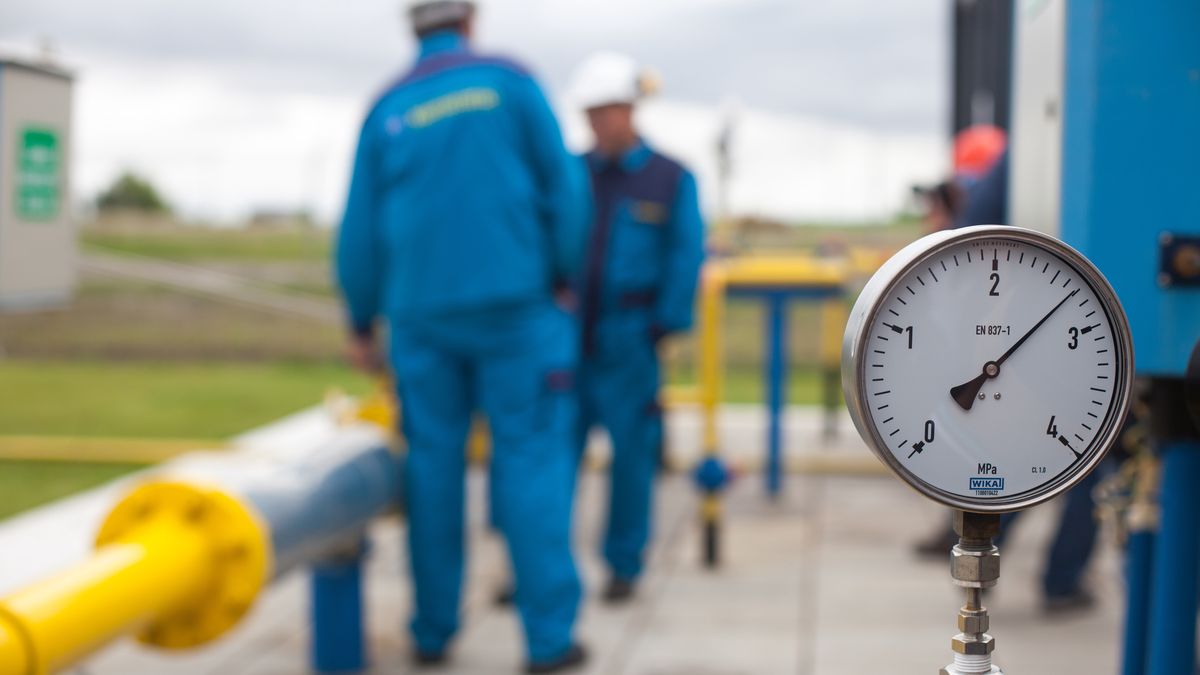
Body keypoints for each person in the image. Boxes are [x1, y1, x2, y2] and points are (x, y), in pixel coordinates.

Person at [335, 2, 589, 671]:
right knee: (530, 460)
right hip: (517, 311)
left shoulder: (387, 104)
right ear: (469, 18)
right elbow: (565, 192)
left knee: (433, 469)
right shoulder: (510, 82)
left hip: (421, 319)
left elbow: (359, 230)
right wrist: (561, 277)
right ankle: (547, 639)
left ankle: (432, 629)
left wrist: (363, 320)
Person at [911, 140, 1099, 614]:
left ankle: (986, 528)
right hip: (1068, 327)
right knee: (1089, 460)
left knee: (1035, 448)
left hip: (1049, 322)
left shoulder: (1025, 154)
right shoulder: (1074, 150)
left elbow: (965, 241)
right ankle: (1061, 581)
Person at [567, 52, 705, 602]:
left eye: (611, 110)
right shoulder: (571, 174)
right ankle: (538, 565)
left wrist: (662, 325)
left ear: (631, 110)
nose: (602, 123)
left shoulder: (669, 177)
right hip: (569, 337)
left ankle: (623, 563)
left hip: (630, 338)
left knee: (630, 457)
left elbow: (684, 253)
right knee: (551, 456)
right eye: (593, 113)